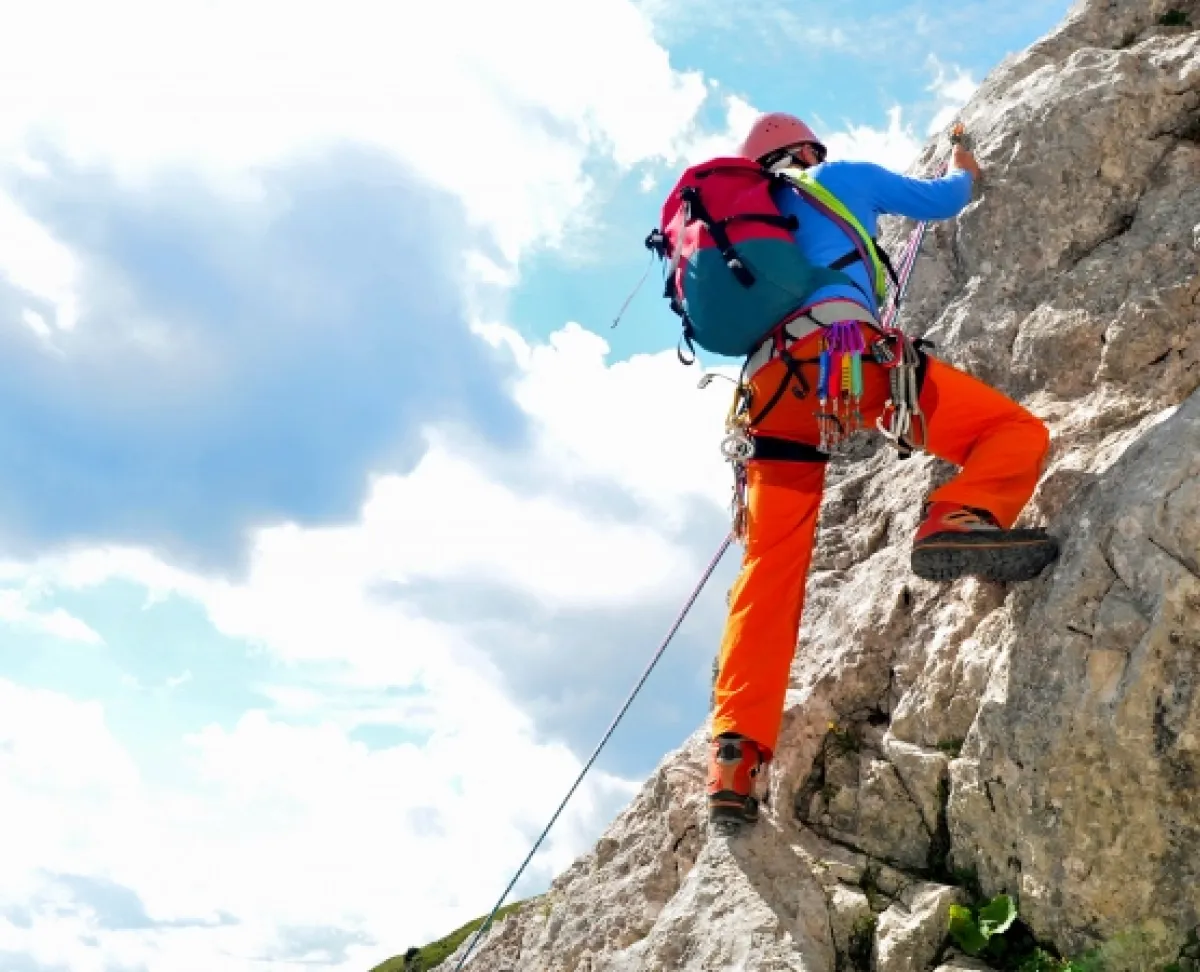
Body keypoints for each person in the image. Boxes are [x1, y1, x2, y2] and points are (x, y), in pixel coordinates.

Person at [706, 112, 1060, 831]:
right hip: (846, 361)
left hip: (767, 399)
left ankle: (735, 760)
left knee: (768, 576)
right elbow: (946, 200)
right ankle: (958, 514)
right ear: (802, 152)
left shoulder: (737, 230)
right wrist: (964, 160)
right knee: (1010, 432)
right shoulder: (839, 180)